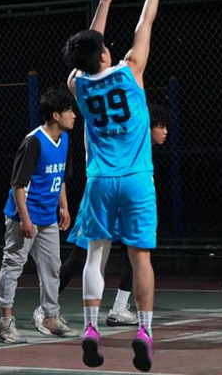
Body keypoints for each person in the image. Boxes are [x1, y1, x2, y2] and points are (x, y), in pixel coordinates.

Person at [63, 0, 181, 371]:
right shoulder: (131, 70)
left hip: (99, 181)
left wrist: (104, 4)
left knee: (94, 256)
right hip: (136, 180)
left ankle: (91, 328)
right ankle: (144, 332)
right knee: (140, 259)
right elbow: (145, 23)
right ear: (103, 55)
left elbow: (88, 46)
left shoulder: (78, 84)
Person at [32, 103, 171, 333]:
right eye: (161, 126)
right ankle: (46, 308)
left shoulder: (139, 151)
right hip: (102, 197)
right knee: (80, 257)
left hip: (124, 199)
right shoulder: (116, 134)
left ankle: (119, 309)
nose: (165, 132)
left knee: (134, 254)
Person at [0, 86, 78, 343]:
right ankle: (5, 323)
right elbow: (18, 185)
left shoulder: (64, 139)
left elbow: (60, 177)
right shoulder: (34, 142)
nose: (74, 115)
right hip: (24, 215)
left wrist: (63, 206)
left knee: (53, 267)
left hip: (48, 216)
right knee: (13, 264)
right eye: (69, 111)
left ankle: (50, 316)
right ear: (55, 115)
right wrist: (25, 218)